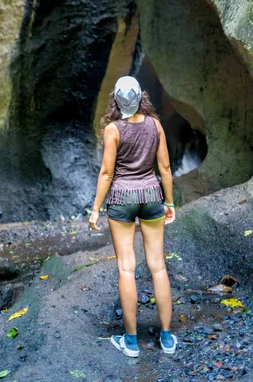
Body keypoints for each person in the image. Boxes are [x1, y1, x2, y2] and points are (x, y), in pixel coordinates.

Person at [89, 75, 177, 358]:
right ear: (141, 98)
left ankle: (131, 342)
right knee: (158, 267)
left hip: (121, 199)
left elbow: (107, 173)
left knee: (126, 268)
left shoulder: (113, 130)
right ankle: (166, 337)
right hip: (152, 196)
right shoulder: (156, 125)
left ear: (115, 99)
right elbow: (164, 168)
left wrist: (94, 209)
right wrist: (170, 202)